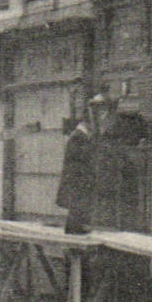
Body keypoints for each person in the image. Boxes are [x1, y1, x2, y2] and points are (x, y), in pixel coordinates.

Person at [56, 94, 106, 234]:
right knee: (77, 211)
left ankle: (77, 229)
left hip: (79, 183)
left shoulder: (81, 137)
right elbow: (80, 161)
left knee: (79, 211)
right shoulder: (78, 138)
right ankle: (76, 231)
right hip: (76, 182)